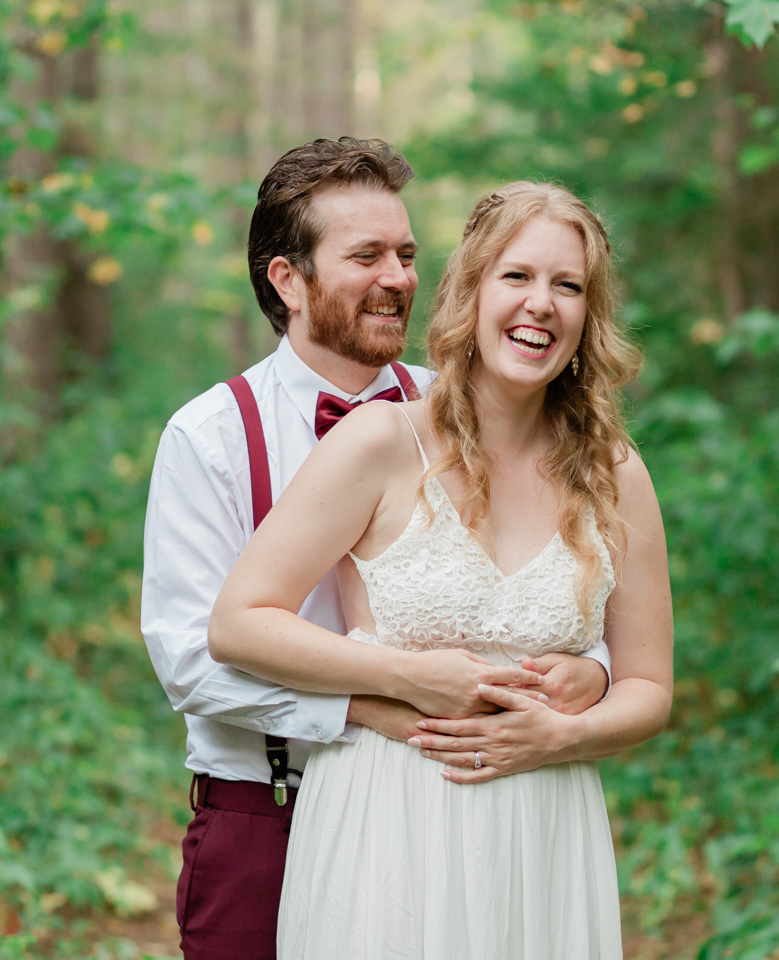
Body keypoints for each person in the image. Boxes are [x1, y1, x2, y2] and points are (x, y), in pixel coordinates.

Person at [141, 142, 614, 960]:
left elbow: (540, 587)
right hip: (264, 811)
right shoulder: (211, 436)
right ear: (288, 281)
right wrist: (379, 707)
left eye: (405, 255)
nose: (398, 278)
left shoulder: (470, 407)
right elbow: (190, 659)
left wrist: (598, 669)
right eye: (366, 257)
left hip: (451, 818)